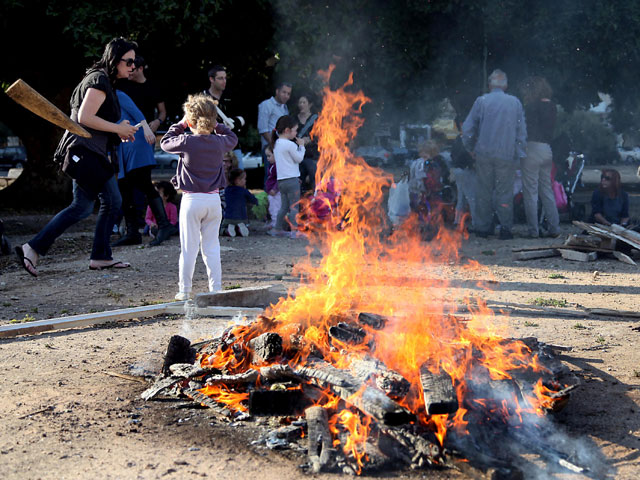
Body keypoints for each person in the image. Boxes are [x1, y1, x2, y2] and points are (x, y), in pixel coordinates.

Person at [16, 37, 139, 276]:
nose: (133, 66)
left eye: (135, 62)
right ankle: (38, 248)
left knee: (82, 207)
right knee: (111, 201)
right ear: (115, 59)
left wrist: (118, 129)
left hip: (88, 153)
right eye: (129, 61)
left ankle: (35, 248)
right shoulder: (99, 80)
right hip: (85, 153)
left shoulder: (103, 80)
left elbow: (93, 121)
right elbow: (84, 118)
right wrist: (118, 128)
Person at [160, 93, 238, 300]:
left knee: (189, 248)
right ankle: (216, 289)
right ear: (213, 120)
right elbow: (233, 138)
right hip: (213, 200)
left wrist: (181, 124)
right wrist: (217, 125)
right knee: (212, 247)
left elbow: (165, 142)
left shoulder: (186, 141)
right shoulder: (220, 142)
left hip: (192, 200)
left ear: (191, 120)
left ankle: (184, 291)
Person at [462, 69, 527, 239]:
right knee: (504, 191)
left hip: (484, 153)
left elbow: (468, 128)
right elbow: (521, 131)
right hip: (507, 154)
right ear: (505, 85)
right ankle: (505, 228)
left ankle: (483, 228)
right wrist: (519, 152)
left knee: (483, 191)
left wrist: (470, 147)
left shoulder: (481, 101)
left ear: (490, 85)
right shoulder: (515, 103)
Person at [113, 89, 175, 246]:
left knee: (144, 183)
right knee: (125, 187)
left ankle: (164, 225)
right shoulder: (102, 97)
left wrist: (147, 129)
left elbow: (137, 113)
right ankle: (132, 232)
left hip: (137, 143)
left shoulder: (118, 94)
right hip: (122, 146)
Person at [519, 76, 560, 238]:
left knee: (530, 192)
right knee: (546, 190)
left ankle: (533, 230)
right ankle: (554, 227)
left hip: (532, 148)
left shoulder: (531, 107)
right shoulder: (552, 106)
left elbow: (523, 129)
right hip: (547, 149)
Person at [268, 115, 305, 237]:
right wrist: (302, 146)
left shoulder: (277, 143)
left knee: (284, 207)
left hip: (281, 181)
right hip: (292, 181)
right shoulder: (290, 145)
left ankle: (277, 228)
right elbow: (299, 159)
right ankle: (295, 231)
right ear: (287, 130)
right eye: (295, 130)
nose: (296, 133)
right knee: (294, 206)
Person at [203, 65, 245, 167]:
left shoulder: (232, 95)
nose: (224, 81)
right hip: (212, 146)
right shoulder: (203, 99)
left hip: (233, 145)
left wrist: (233, 122)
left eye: (225, 78)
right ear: (211, 79)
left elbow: (242, 118)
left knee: (239, 176)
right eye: (220, 78)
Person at [116, 56, 167, 134]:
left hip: (146, 132)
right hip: (126, 131)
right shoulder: (122, 85)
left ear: (140, 69)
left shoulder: (153, 87)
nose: (129, 71)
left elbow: (162, 111)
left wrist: (158, 121)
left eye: (132, 69)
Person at [258, 82, 292, 184]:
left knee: (281, 178)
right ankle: (268, 200)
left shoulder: (285, 108)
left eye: (288, 94)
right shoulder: (266, 105)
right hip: (270, 149)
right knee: (270, 178)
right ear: (277, 91)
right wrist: (274, 146)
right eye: (284, 92)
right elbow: (263, 129)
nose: (286, 96)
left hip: (282, 148)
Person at [450, 116, 478, 230]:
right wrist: (473, 163)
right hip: (466, 170)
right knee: (472, 197)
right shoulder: (467, 139)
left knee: (461, 197)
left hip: (459, 170)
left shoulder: (458, 138)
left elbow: (453, 156)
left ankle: (457, 221)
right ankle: (477, 223)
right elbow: (466, 155)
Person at [222, 168, 258, 237]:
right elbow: (253, 199)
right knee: (241, 222)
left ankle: (228, 229)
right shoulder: (243, 191)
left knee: (223, 227)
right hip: (241, 216)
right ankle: (240, 227)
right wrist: (256, 201)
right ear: (238, 181)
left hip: (228, 216)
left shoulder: (227, 190)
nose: (245, 181)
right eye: (244, 179)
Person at [295, 94, 318, 193]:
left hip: (312, 155)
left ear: (310, 105)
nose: (301, 104)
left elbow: (322, 136)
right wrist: (299, 141)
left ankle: (316, 201)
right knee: (300, 180)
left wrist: (309, 139)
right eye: (300, 102)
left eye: (304, 102)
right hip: (298, 155)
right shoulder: (293, 119)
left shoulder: (316, 119)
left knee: (314, 178)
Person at [264, 145, 281, 229]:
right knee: (271, 207)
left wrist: (275, 189)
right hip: (271, 192)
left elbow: (279, 179)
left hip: (276, 193)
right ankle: (273, 222)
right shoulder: (271, 165)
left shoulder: (277, 166)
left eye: (269, 156)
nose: (267, 158)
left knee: (276, 208)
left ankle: (276, 223)